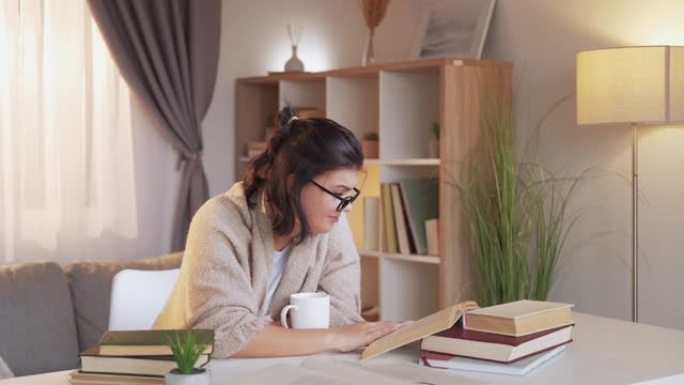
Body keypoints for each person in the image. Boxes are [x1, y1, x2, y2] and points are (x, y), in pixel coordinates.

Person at [154, 107, 405, 358]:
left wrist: (256, 333)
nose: (347, 207)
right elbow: (219, 332)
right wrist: (333, 338)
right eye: (338, 193)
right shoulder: (219, 220)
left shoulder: (332, 225)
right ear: (292, 182)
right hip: (185, 369)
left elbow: (344, 315)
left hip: (281, 368)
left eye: (350, 194)